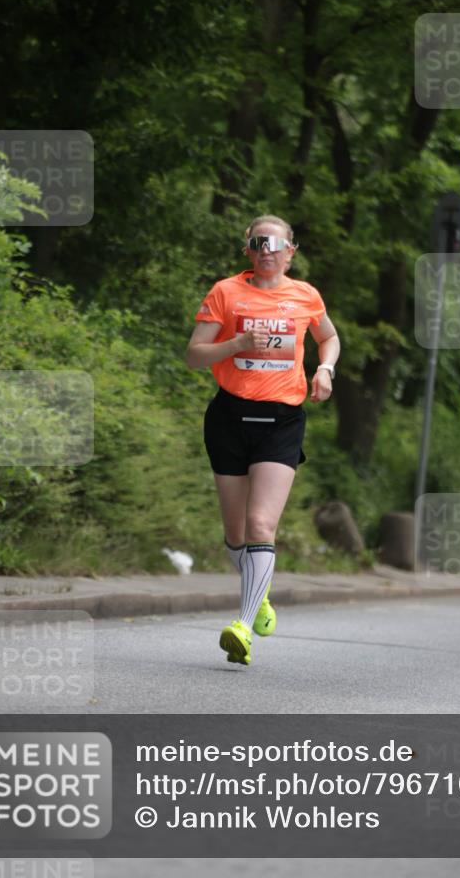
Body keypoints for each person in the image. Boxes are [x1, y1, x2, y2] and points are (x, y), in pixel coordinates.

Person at [185, 215, 340, 666]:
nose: (266, 250)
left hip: (281, 421)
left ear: (291, 250)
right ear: (247, 250)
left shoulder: (306, 295)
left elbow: (328, 337)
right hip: (229, 417)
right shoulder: (225, 292)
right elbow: (194, 355)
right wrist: (236, 344)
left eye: (274, 243)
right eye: (257, 243)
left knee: (259, 526)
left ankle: (242, 626)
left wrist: (325, 369)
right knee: (235, 534)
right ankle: (260, 590)